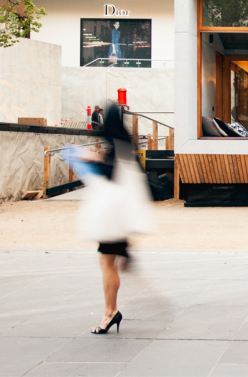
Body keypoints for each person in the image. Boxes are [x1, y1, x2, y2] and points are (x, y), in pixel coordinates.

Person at [65, 105, 152, 335]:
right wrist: (89, 156)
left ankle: (110, 312)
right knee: (109, 263)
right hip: (119, 220)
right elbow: (107, 162)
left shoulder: (116, 150)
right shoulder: (124, 147)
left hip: (111, 221)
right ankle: (111, 307)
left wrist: (83, 156)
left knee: (106, 264)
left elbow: (105, 171)